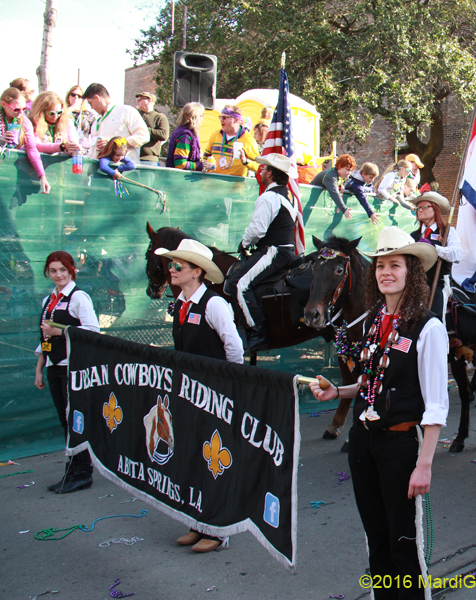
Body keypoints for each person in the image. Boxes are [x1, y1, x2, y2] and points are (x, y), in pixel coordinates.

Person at [309, 226, 448, 600]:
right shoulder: (372, 322)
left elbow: (436, 404)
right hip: (363, 443)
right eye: (380, 265)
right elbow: (370, 382)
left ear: (411, 272)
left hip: (401, 445)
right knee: (376, 539)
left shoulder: (428, 327)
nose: (386, 272)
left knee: (403, 543)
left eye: (395, 265)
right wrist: (336, 391)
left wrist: (425, 463)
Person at [153, 238, 244, 552]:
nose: (172, 270)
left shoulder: (214, 304)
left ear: (197, 272)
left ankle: (218, 531)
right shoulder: (180, 304)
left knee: (213, 462)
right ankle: (197, 522)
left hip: (214, 395)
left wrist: (229, 389)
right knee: (191, 458)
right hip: (186, 394)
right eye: (171, 265)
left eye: (178, 265)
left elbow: (234, 349)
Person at [34, 250, 100, 494]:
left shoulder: (78, 297)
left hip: (73, 368)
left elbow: (92, 330)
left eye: (63, 269)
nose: (58, 274)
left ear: (71, 270)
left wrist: (61, 332)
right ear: (47, 273)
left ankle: (83, 473)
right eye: (53, 270)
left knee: (75, 421)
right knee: (65, 421)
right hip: (54, 367)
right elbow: (43, 338)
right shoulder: (48, 300)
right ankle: (72, 471)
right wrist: (39, 369)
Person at [225, 153, 301, 350]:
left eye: (264, 168)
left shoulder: (269, 197)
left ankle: (257, 333)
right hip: (283, 251)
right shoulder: (288, 195)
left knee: (238, 284)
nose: (260, 170)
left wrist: (244, 243)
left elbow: (257, 231)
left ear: (271, 174)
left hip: (274, 252)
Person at [410, 191, 462, 320]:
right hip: (415, 283)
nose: (420, 210)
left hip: (438, 282)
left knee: (435, 318)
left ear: (436, 208)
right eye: (418, 208)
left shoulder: (447, 232)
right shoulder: (413, 236)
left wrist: (434, 249)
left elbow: (457, 254)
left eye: (425, 207)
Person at [83, 83, 149, 164]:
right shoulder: (97, 122)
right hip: (101, 171)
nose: (91, 107)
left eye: (90, 103)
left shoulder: (126, 111)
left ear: (96, 98)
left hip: (125, 170)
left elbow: (144, 136)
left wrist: (116, 144)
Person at [1, 87, 50, 194]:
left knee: (8, 210)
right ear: (3, 104)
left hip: (10, 175)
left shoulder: (25, 121)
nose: (20, 113)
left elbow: (32, 149)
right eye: (16, 109)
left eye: (24, 109)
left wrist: (42, 176)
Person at [203, 105, 259, 177]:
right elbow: (205, 157)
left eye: (224, 117)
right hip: (212, 184)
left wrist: (246, 161)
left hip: (234, 186)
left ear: (235, 120)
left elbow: (259, 167)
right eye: (220, 117)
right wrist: (206, 164)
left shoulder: (248, 140)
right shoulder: (215, 134)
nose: (221, 120)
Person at [29, 91, 81, 156]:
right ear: (41, 112)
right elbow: (36, 146)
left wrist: (73, 148)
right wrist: (62, 147)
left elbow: (73, 140)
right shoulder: (32, 123)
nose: (55, 116)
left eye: (59, 112)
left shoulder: (67, 123)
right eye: (51, 113)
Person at [165, 102, 212, 172]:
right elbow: (180, 164)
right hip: (181, 180)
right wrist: (201, 165)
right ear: (194, 117)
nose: (203, 118)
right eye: (202, 115)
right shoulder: (185, 136)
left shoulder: (182, 131)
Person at [310, 153, 356, 219]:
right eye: (347, 169)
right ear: (339, 166)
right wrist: (344, 209)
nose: (349, 173)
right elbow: (335, 193)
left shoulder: (339, 176)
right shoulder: (330, 176)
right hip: (309, 204)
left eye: (351, 171)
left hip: (315, 204)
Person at [135, 91, 169, 166]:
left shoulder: (159, 117)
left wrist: (145, 130)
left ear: (149, 101)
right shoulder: (135, 114)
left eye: (140, 99)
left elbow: (164, 135)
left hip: (149, 159)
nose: (137, 101)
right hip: (131, 157)